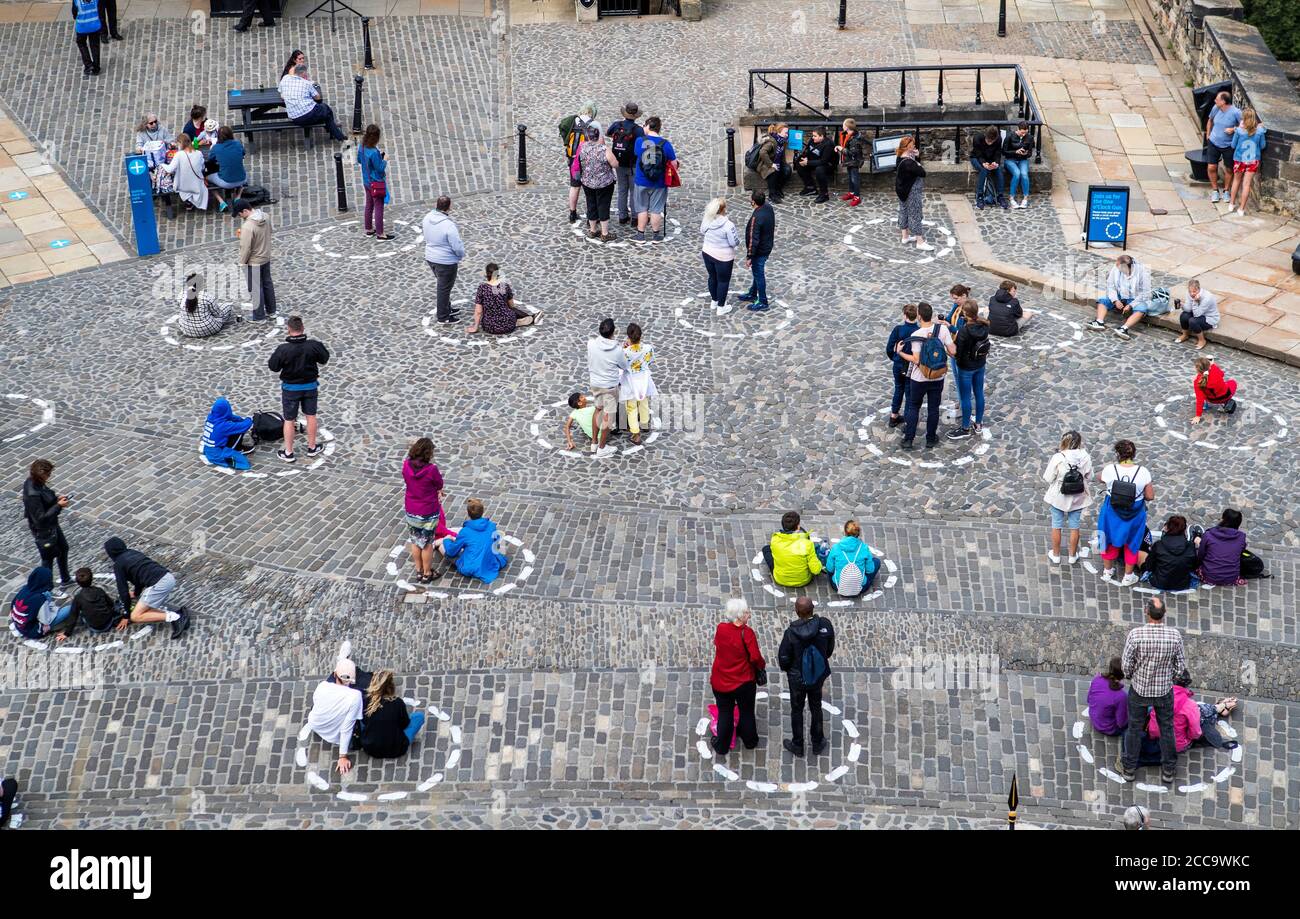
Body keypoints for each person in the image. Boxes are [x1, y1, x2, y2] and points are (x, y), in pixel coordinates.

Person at [1117, 597, 1185, 784]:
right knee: (1167, 729)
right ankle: (1168, 770)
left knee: (1134, 728)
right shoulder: (1174, 636)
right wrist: (1169, 678)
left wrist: (1133, 676)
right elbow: (1180, 667)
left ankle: (1130, 768)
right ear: (1164, 614)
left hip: (1140, 689)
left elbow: (1126, 665)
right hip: (1163, 691)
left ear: (1146, 611)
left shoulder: (1136, 635)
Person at [777, 597, 835, 757]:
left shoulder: (790, 633)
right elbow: (829, 649)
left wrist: (790, 670)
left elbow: (784, 658)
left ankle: (798, 744)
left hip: (797, 679)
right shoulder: (825, 625)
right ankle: (817, 742)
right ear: (813, 609)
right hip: (816, 677)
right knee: (816, 707)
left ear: (797, 612)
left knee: (796, 710)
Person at [268, 315, 329, 463]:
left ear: (289, 330)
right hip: (310, 387)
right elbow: (324, 358)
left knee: (289, 420)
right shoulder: (313, 345)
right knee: (311, 416)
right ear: (302, 328)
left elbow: (273, 366)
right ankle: (312, 447)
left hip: (290, 389)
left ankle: (288, 452)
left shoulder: (283, 349)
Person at [709, 598, 766, 758]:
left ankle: (722, 745)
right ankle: (750, 740)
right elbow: (755, 657)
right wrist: (762, 665)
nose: (749, 614)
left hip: (721, 680)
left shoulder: (721, 629)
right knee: (746, 711)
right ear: (739, 616)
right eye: (746, 612)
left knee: (725, 712)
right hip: (744, 682)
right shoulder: (747, 634)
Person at [896, 301, 955, 449]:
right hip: (937, 376)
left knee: (914, 407)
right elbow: (953, 351)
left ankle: (909, 439)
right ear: (932, 315)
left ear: (919, 317)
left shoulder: (916, 334)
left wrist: (900, 352)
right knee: (933, 408)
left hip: (919, 378)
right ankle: (930, 438)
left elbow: (916, 360)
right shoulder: (942, 330)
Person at [103, 537, 191, 637]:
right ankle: (178, 614)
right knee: (143, 608)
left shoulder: (119, 565)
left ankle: (176, 617)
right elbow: (138, 579)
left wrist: (126, 615)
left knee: (136, 616)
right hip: (167, 577)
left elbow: (123, 591)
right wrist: (136, 594)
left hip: (159, 584)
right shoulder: (133, 552)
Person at [1096, 440, 1153, 587]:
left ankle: (1107, 572)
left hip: (1111, 513)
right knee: (1132, 542)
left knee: (1107, 538)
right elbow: (1150, 496)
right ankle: (1128, 576)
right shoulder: (1143, 472)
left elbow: (1098, 477)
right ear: (1134, 454)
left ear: (1117, 454)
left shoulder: (1110, 470)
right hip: (1134, 515)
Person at [403, 437, 454, 584]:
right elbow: (439, 483)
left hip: (411, 509)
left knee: (415, 540)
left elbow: (408, 480)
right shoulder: (431, 469)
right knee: (426, 543)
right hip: (427, 511)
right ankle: (427, 573)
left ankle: (418, 571)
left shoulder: (406, 464)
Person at [307, 653, 366, 776]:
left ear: (335, 675)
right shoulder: (355, 696)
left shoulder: (323, 686)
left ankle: (342, 660)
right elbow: (347, 727)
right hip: (337, 736)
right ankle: (343, 660)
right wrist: (342, 756)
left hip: (317, 725)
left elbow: (316, 702)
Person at [1041, 431, 1092, 564]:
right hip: (1078, 496)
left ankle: (1056, 555)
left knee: (1056, 525)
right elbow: (1089, 476)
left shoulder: (1058, 457)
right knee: (1074, 527)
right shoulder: (1085, 456)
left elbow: (1048, 477)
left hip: (1059, 496)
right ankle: (1072, 555)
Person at [23, 459, 71, 586]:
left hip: (52, 525)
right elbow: (40, 518)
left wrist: (56, 500)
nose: (49, 477)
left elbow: (46, 499)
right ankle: (46, 587)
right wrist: (58, 506)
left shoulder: (36, 483)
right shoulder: (32, 494)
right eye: (48, 474)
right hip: (44, 530)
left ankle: (65, 578)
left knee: (63, 548)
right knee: (47, 559)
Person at [438, 498, 509, 584]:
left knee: (443, 546)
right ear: (482, 511)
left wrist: (446, 540)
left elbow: (451, 551)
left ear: (468, 514)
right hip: (490, 562)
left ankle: (436, 543)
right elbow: (495, 543)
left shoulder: (465, 531)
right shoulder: (491, 526)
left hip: (471, 566)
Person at [358, 671, 426, 759]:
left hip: (370, 748)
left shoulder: (365, 701)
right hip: (396, 748)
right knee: (419, 717)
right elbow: (404, 724)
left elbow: (363, 721)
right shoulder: (397, 703)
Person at [586, 318, 629, 457]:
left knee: (597, 409)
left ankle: (594, 443)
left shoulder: (591, 344)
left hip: (595, 384)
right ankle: (602, 447)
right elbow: (624, 366)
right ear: (613, 332)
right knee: (608, 417)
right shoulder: (617, 350)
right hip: (610, 386)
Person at [948, 300, 989, 441]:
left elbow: (957, 351)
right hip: (980, 364)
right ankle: (978, 424)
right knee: (979, 394)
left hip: (966, 368)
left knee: (966, 397)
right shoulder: (984, 325)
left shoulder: (965, 331)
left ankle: (965, 428)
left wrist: (949, 351)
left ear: (965, 314)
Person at [632, 116, 677, 242]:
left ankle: (640, 234)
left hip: (641, 180)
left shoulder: (640, 141)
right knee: (656, 209)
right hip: (659, 182)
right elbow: (674, 164)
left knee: (642, 208)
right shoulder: (666, 144)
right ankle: (656, 235)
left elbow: (637, 154)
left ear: (647, 126)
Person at [1088, 254, 1154, 340]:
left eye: (1118, 267)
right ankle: (1099, 321)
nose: (1116, 268)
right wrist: (1115, 300)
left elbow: (1145, 293)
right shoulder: (1116, 268)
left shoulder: (1142, 273)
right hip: (1120, 295)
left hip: (1136, 298)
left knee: (1142, 309)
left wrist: (1131, 305)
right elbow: (1110, 286)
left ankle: (1124, 328)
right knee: (1103, 299)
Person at [422, 196, 465, 325]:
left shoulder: (427, 218)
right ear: (449, 207)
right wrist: (460, 255)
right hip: (446, 261)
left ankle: (447, 308)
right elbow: (456, 246)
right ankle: (443, 316)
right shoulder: (448, 225)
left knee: (443, 286)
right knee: (444, 288)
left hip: (431, 257)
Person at [278, 63, 346, 142]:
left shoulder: (285, 78)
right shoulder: (306, 83)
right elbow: (317, 97)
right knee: (326, 109)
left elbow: (281, 94)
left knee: (325, 114)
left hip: (295, 118)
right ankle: (334, 132)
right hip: (309, 115)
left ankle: (335, 133)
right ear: (303, 73)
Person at [468, 263, 540, 335]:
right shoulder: (504, 286)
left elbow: (478, 312)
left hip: (489, 326)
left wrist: (476, 327)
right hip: (508, 323)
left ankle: (523, 320)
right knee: (512, 310)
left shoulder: (482, 288)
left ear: (487, 274)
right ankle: (527, 319)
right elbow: (512, 305)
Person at [234, 198, 276, 321]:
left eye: (240, 214)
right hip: (266, 256)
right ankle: (271, 310)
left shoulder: (247, 227)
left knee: (256, 288)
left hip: (254, 261)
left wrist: (242, 262)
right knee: (267, 283)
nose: (240, 217)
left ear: (245, 211)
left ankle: (259, 316)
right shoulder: (266, 216)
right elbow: (270, 231)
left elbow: (246, 248)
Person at [559, 103, 600, 224]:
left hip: (573, 160)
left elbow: (563, 128)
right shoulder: (594, 124)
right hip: (588, 160)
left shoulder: (573, 120)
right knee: (590, 187)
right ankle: (591, 216)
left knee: (574, 186)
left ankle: (572, 213)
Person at [763, 511, 827, 588]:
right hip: (803, 580)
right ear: (798, 527)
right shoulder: (807, 544)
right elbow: (816, 570)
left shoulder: (775, 539)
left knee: (766, 549)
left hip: (780, 579)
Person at [576, 125, 618, 241]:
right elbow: (615, 164)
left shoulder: (582, 148)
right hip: (604, 183)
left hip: (587, 182)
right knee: (603, 205)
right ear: (598, 136)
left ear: (587, 137)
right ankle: (604, 233)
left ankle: (593, 230)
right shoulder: (604, 149)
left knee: (591, 204)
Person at [9, 567, 74, 642]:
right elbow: (46, 620)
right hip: (33, 631)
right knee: (70, 608)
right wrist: (53, 609)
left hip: (20, 624)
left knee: (47, 594)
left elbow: (13, 605)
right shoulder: (40, 599)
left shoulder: (24, 589)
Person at [700, 197, 739, 314]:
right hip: (723, 257)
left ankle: (714, 301)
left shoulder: (707, 220)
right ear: (723, 210)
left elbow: (702, 231)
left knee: (712, 277)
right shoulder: (728, 225)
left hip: (707, 252)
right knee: (723, 281)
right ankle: (721, 307)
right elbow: (733, 242)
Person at [606, 103, 643, 225]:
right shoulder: (638, 130)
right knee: (634, 191)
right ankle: (634, 217)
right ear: (636, 116)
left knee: (622, 189)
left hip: (619, 162)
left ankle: (622, 216)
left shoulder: (617, 125)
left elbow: (608, 133)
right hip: (633, 164)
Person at [737, 190, 774, 312]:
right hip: (767, 246)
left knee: (758, 274)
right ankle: (753, 293)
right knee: (757, 273)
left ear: (753, 202)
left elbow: (753, 239)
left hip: (759, 251)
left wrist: (749, 256)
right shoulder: (768, 208)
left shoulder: (756, 218)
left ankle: (762, 301)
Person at [884, 303, 919, 428]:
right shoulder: (919, 331)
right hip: (912, 365)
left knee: (899, 388)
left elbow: (889, 347)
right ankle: (909, 421)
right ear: (917, 316)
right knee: (909, 392)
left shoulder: (898, 329)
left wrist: (895, 357)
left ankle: (894, 415)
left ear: (905, 315)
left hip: (899, 364)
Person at [620, 323, 655, 445]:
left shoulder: (624, 352)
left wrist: (624, 348)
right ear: (640, 336)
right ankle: (644, 424)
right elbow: (650, 360)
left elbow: (621, 366)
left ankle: (636, 433)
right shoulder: (648, 348)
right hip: (644, 379)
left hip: (630, 381)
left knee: (631, 407)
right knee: (644, 401)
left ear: (628, 337)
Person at [895, 136, 932, 250]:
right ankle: (920, 241)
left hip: (902, 190)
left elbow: (914, 168)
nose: (915, 146)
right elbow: (922, 173)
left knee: (904, 211)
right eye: (913, 145)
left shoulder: (900, 157)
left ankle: (905, 236)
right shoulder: (909, 163)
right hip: (911, 191)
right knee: (915, 214)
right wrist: (918, 163)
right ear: (908, 147)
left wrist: (916, 157)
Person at [1144, 516, 1200, 592]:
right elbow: (1194, 567)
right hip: (1182, 584)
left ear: (1167, 528)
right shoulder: (1190, 546)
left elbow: (1149, 566)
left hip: (1159, 583)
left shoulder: (1158, 545)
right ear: (1184, 531)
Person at [1227, 108, 1266, 217]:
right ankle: (1241, 209)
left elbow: (1233, 145)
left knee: (1236, 181)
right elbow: (1263, 146)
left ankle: (1231, 203)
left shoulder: (1239, 131)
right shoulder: (1259, 131)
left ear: (1243, 118)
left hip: (1239, 160)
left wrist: (1238, 129)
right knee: (1247, 184)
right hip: (1252, 161)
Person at [1204, 90, 1241, 205]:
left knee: (1229, 169)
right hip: (1214, 142)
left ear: (1224, 102)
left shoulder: (1236, 113)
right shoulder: (1215, 108)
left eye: (1217, 99)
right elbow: (1210, 120)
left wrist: (1233, 129)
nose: (1215, 101)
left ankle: (1226, 191)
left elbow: (1245, 126)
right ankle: (1215, 190)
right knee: (1211, 167)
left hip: (1228, 145)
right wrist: (1208, 134)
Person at [1147, 677, 1202, 753]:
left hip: (1158, 740)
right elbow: (1195, 733)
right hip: (1177, 745)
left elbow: (1153, 728)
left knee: (1149, 709)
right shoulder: (1191, 705)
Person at [64, 568, 125, 636]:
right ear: (91, 579)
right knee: (117, 603)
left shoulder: (78, 597)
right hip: (108, 622)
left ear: (78, 582)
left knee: (79, 613)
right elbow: (110, 604)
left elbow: (73, 616)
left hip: (94, 627)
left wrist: (67, 633)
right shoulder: (99, 590)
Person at [823, 520, 877, 596]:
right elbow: (870, 570)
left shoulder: (836, 548)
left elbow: (829, 569)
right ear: (858, 533)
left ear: (845, 532)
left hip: (838, 586)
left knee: (830, 563)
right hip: (860, 587)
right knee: (876, 562)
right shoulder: (864, 548)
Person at [201, 396, 254, 470]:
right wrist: (249, 419)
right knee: (239, 431)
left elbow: (230, 417)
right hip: (218, 453)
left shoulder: (211, 417)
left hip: (208, 449)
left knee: (233, 429)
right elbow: (244, 425)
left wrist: (239, 419)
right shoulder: (223, 426)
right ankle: (237, 449)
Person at [358, 123, 391, 240]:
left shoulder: (361, 147)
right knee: (378, 207)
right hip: (376, 183)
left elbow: (359, 160)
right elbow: (380, 168)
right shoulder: (374, 152)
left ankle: (368, 228)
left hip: (367, 181)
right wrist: (385, 160)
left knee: (369, 205)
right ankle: (380, 233)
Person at [1198, 508, 1247, 586]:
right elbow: (1241, 551)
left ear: (1223, 519)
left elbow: (1201, 555)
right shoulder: (1241, 537)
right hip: (1231, 578)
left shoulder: (1208, 534)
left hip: (1209, 576)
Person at [178, 273, 237, 338]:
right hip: (208, 328)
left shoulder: (181, 295)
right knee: (227, 306)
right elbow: (218, 314)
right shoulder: (206, 296)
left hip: (187, 329)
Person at [161, 135, 209, 211]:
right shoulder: (199, 153)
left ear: (180, 143)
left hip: (184, 186)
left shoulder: (179, 154)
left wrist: (162, 164)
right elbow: (202, 167)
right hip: (197, 185)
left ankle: (188, 201)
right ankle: (190, 202)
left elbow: (170, 169)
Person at [204, 126, 246, 212]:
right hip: (242, 179)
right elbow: (243, 153)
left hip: (226, 182)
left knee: (205, 178)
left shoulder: (217, 148)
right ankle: (238, 196)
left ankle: (221, 201)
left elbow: (210, 159)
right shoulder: (238, 143)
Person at [1087, 657, 1128, 736]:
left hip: (1093, 717)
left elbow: (1089, 699)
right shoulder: (1121, 696)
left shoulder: (1097, 679)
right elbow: (1121, 723)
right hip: (1107, 728)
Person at [749, 123, 787, 204]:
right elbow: (762, 152)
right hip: (765, 164)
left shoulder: (782, 140)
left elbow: (781, 153)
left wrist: (784, 163)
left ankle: (778, 188)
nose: (787, 135)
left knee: (787, 170)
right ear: (779, 132)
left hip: (777, 162)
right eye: (786, 133)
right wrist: (771, 164)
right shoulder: (771, 142)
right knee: (773, 171)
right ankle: (772, 195)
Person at [1175, 279, 1219, 350]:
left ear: (1199, 289)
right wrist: (1182, 305)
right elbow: (1189, 309)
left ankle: (1202, 340)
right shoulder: (1189, 293)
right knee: (1184, 315)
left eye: (1194, 291)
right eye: (1190, 291)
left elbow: (1197, 314)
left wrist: (1195, 301)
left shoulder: (1207, 297)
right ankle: (1185, 335)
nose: (1192, 294)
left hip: (1209, 318)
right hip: (1198, 313)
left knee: (1193, 321)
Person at [796, 127, 835, 204]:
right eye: (812, 135)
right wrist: (805, 158)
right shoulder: (812, 140)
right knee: (799, 162)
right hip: (814, 161)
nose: (812, 137)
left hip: (828, 165)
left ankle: (824, 194)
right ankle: (810, 187)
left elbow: (823, 161)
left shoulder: (828, 144)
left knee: (819, 169)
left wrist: (808, 162)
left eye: (815, 136)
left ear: (821, 136)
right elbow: (809, 151)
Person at [970, 125, 1006, 209]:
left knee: (999, 170)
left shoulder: (998, 139)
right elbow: (978, 153)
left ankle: (1000, 196)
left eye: (992, 141)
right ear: (985, 135)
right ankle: (979, 196)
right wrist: (983, 163)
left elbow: (998, 153)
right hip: (976, 158)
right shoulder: (977, 138)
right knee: (984, 170)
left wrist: (996, 163)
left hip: (991, 159)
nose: (990, 143)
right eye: (988, 140)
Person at [1191, 356, 1237, 422]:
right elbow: (1222, 374)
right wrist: (1213, 365)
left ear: (1197, 370)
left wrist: (1198, 416)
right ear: (1209, 365)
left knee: (1203, 392)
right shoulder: (1214, 368)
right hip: (1226, 396)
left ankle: (1205, 405)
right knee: (1232, 382)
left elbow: (1199, 399)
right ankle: (1224, 403)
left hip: (1211, 400)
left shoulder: (1198, 381)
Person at [1002, 120, 1034, 208]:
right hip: (1010, 159)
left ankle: (1025, 198)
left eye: (1025, 133)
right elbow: (1004, 152)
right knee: (1017, 173)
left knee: (1024, 174)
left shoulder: (1030, 138)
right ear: (1018, 129)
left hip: (1022, 159)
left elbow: (1030, 153)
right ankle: (1011, 197)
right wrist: (1015, 152)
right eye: (1022, 133)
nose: (1023, 135)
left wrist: (1025, 154)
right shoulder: (1009, 136)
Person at [835, 118, 865, 207]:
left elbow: (852, 153)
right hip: (849, 161)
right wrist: (838, 147)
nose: (842, 126)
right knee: (850, 178)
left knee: (854, 179)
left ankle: (857, 197)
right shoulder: (847, 135)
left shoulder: (855, 139)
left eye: (843, 125)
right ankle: (851, 193)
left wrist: (841, 149)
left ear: (847, 127)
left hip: (854, 162)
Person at [71, 0, 102, 76]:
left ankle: (88, 65)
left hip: (82, 27)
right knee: (95, 46)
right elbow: (100, 9)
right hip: (94, 25)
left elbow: (74, 13)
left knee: (81, 44)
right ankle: (96, 67)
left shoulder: (76, 1)